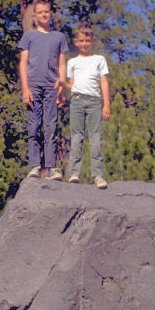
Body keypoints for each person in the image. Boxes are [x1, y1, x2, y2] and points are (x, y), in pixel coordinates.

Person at [18, 0, 69, 180]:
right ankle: (34, 166)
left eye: (46, 11)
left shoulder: (59, 37)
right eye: (40, 12)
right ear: (35, 16)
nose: (44, 15)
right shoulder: (29, 36)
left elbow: (62, 64)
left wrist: (61, 88)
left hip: (51, 87)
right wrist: (25, 88)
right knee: (34, 127)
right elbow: (23, 63)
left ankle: (51, 168)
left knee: (51, 127)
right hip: (33, 86)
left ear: (51, 13)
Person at [64, 24, 111, 189]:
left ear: (92, 40)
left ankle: (97, 175)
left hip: (94, 102)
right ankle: (74, 173)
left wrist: (106, 104)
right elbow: (72, 84)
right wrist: (61, 85)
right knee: (76, 138)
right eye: (81, 40)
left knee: (96, 139)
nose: (84, 43)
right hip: (76, 101)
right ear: (76, 42)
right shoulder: (72, 62)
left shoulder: (99, 60)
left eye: (87, 40)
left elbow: (104, 82)